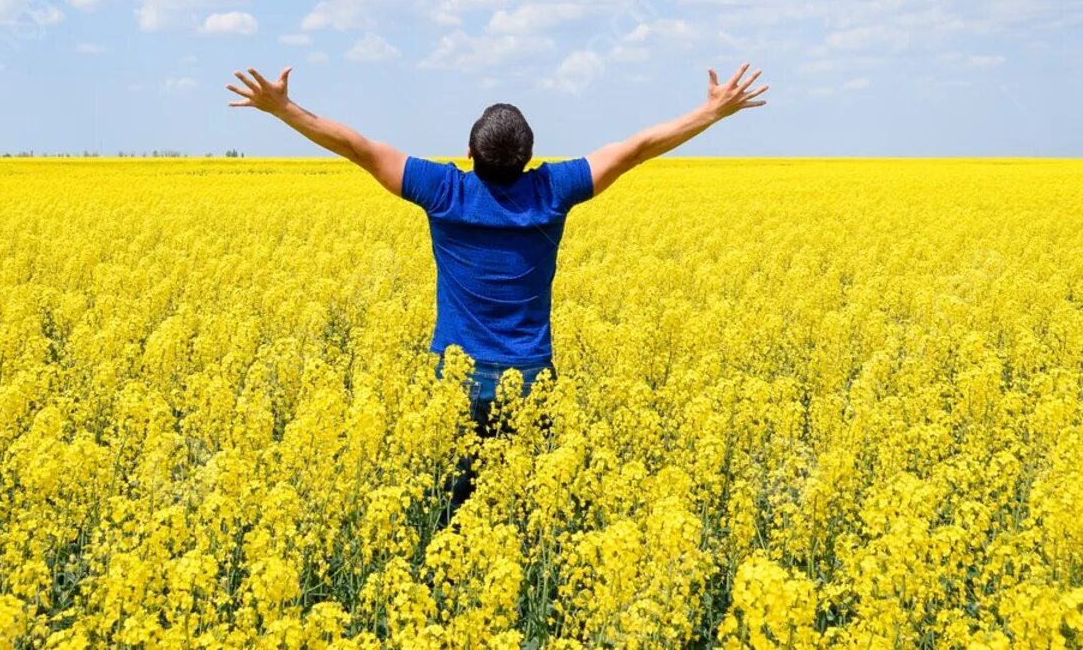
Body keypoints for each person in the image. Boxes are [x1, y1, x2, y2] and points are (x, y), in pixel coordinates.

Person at [226, 61, 768, 521]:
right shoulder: (552, 190)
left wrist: (283, 110)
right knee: (525, 504)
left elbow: (358, 148)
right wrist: (713, 111)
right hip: (530, 375)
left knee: (456, 504)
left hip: (455, 375)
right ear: (530, 159)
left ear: (468, 152)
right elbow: (637, 148)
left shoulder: (444, 190)